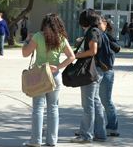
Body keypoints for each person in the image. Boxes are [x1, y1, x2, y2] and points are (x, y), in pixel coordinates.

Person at [22, 14, 75, 147]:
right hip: (54, 75)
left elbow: (25, 53)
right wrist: (58, 67)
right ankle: (52, 141)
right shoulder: (61, 38)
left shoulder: (38, 36)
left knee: (38, 109)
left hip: (39, 75)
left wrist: (27, 40)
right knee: (53, 108)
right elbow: (71, 56)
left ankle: (35, 141)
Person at [71, 9, 106, 143]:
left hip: (91, 72)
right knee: (95, 103)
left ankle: (86, 136)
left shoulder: (92, 32)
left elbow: (92, 51)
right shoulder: (98, 31)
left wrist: (75, 56)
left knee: (88, 105)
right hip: (97, 71)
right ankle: (100, 133)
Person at [97, 16, 120, 137]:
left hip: (106, 72)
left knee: (106, 101)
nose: (97, 24)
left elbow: (117, 48)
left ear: (105, 24)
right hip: (101, 71)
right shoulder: (100, 36)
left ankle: (112, 126)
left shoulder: (107, 37)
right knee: (97, 101)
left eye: (100, 22)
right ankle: (96, 127)